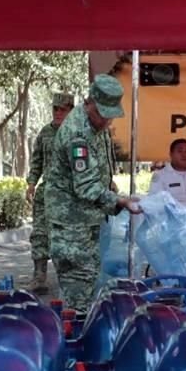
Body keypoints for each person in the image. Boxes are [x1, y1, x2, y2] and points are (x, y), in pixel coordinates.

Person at [43, 74, 142, 312]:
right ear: (89, 103)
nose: (106, 121)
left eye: (110, 115)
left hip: (85, 222)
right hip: (71, 227)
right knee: (79, 292)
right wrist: (119, 201)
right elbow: (86, 187)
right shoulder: (78, 134)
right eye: (102, 114)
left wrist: (110, 186)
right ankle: (73, 343)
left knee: (87, 285)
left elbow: (98, 169)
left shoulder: (95, 125)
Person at [25, 92, 75, 294]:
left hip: (70, 195)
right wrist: (31, 183)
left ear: (72, 111)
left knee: (67, 237)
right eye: (56, 109)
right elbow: (37, 160)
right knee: (39, 234)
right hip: (47, 192)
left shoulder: (79, 134)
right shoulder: (45, 133)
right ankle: (39, 276)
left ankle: (70, 277)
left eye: (63, 109)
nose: (58, 113)